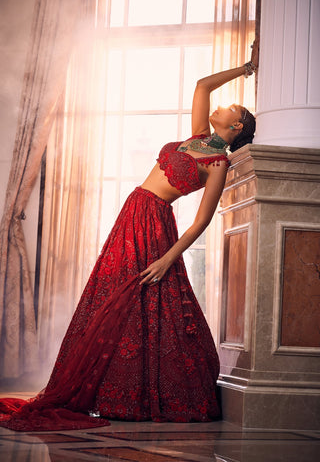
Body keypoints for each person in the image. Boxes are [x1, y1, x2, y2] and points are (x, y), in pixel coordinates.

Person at [0, 42, 258, 432]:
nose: (221, 106)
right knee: (108, 292)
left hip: (155, 222)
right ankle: (104, 389)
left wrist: (168, 258)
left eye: (231, 109)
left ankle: (137, 393)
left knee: (142, 299)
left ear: (235, 127)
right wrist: (246, 67)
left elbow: (202, 221)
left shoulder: (218, 163)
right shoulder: (198, 135)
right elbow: (203, 85)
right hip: (133, 212)